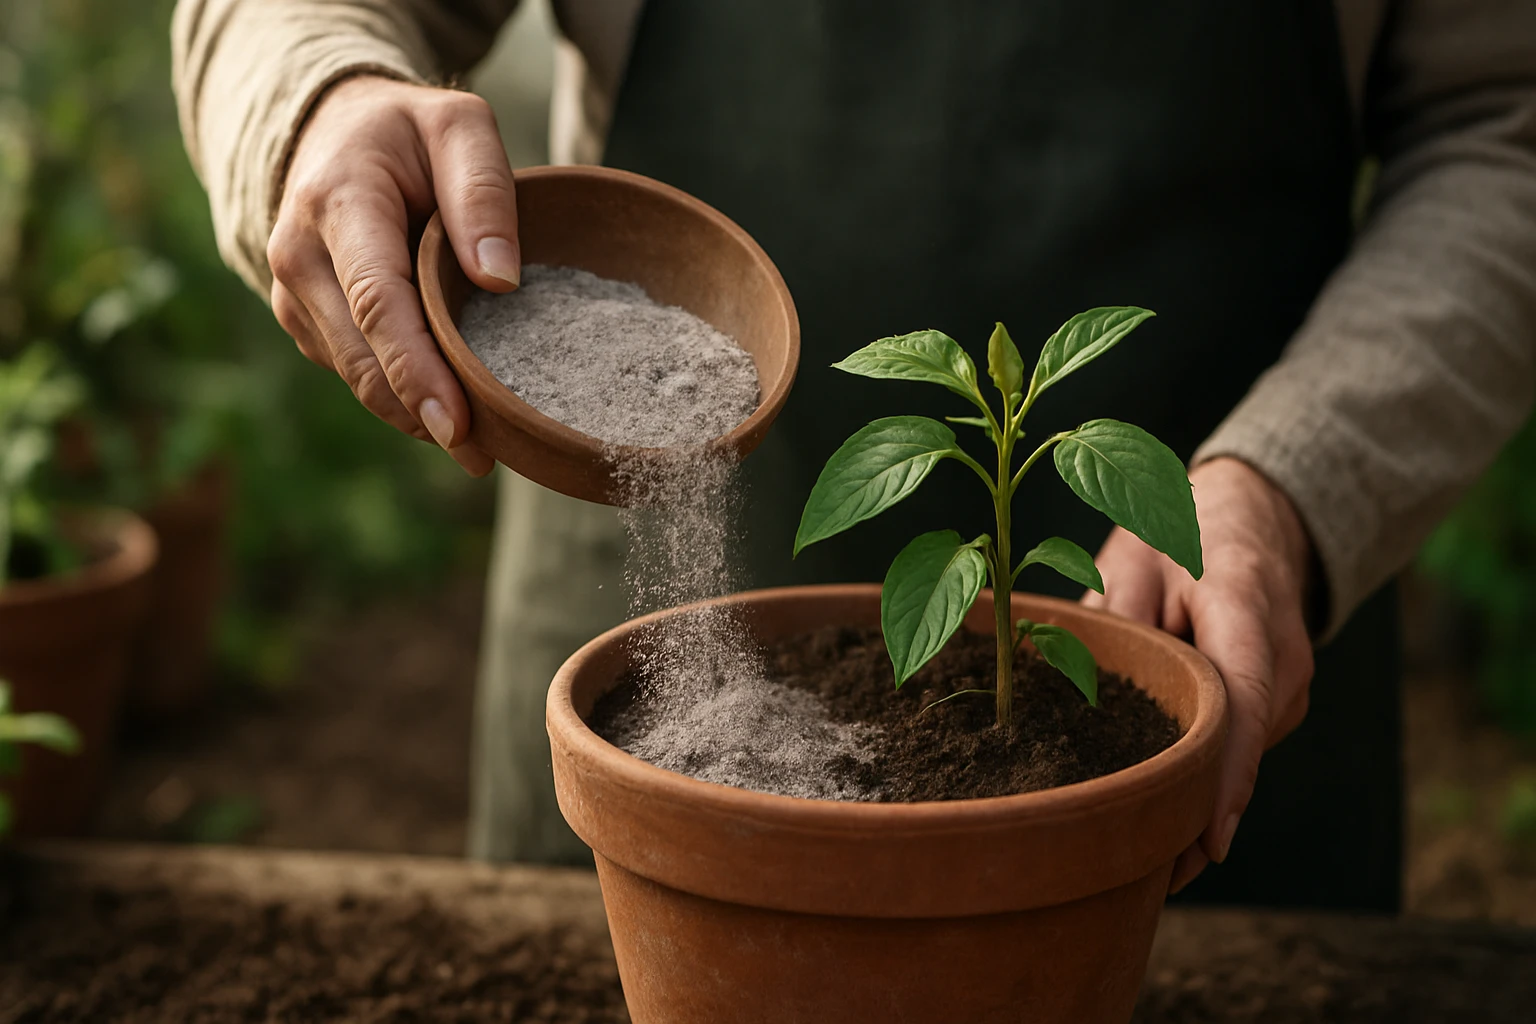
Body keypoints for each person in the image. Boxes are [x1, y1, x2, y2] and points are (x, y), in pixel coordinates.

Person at [171, 1, 1536, 909]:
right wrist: (318, 99)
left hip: (1196, 626)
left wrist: (1297, 480)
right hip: (646, 608)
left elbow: (1505, 121)